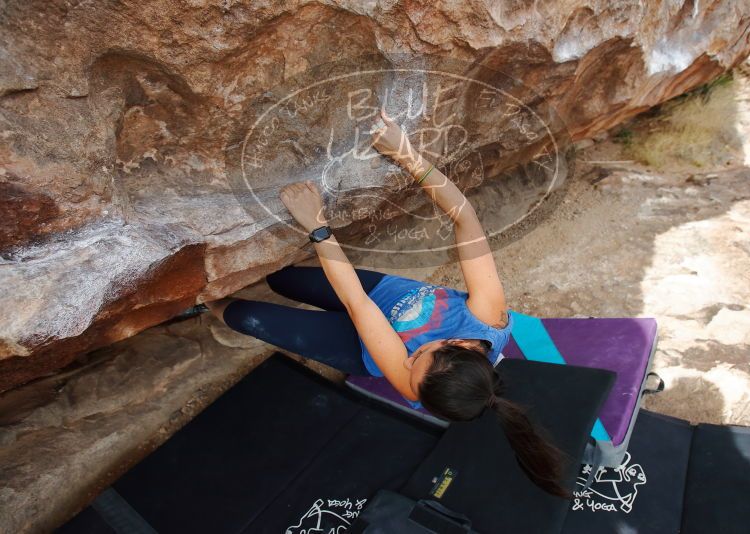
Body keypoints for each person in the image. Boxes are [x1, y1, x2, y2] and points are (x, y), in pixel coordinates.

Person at [206, 108, 569, 498]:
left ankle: (207, 305)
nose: (405, 360)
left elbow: (357, 307)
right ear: (459, 344)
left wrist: (317, 226)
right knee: (282, 279)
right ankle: (262, 286)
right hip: (383, 296)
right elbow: (467, 220)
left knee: (245, 316)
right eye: (418, 357)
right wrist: (405, 153)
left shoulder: (420, 385)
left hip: (358, 344)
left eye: (409, 374)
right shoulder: (487, 317)